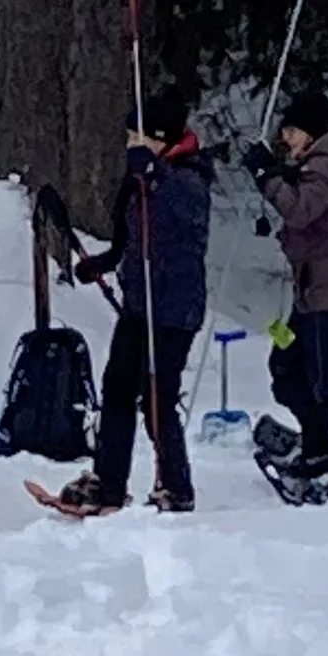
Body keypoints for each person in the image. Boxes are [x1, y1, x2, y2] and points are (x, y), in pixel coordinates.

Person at [55, 88, 211, 514]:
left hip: (173, 310)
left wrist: (156, 172)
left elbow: (187, 211)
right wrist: (104, 262)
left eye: (137, 138)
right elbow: (130, 237)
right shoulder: (141, 176)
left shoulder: (189, 175)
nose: (129, 146)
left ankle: (176, 486)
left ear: (159, 139)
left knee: (157, 397)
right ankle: (108, 482)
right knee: (117, 390)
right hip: (138, 305)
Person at [241, 89, 328, 503]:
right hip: (312, 288)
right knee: (289, 368)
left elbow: (303, 209)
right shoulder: (319, 164)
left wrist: (269, 177)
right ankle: (320, 448)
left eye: (293, 130)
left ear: (313, 131)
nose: (287, 139)